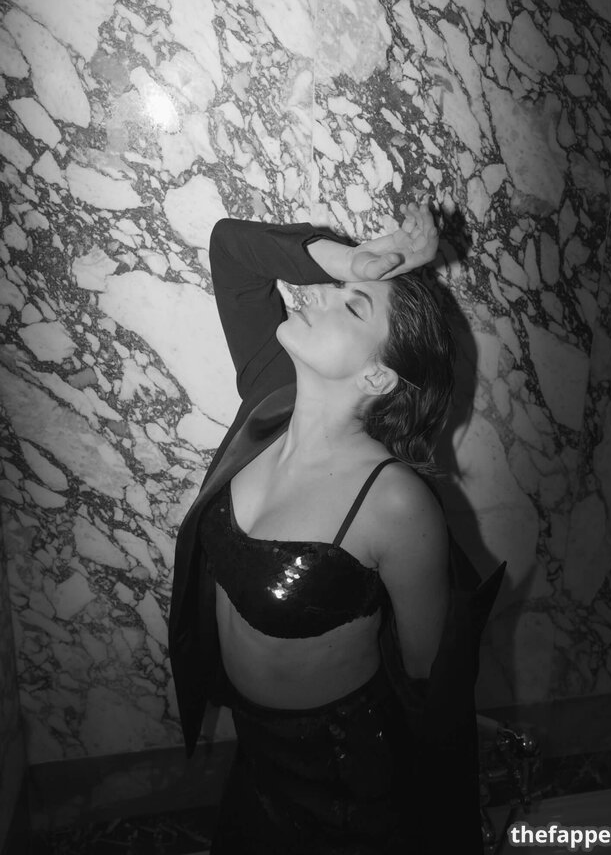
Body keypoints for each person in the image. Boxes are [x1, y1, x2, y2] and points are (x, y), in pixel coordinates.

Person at [169, 202, 504, 854]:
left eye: (350, 306)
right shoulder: (269, 397)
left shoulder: (393, 502)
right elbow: (232, 247)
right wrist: (352, 262)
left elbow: (427, 678)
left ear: (378, 375)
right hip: (254, 755)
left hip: (345, 784)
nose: (317, 293)